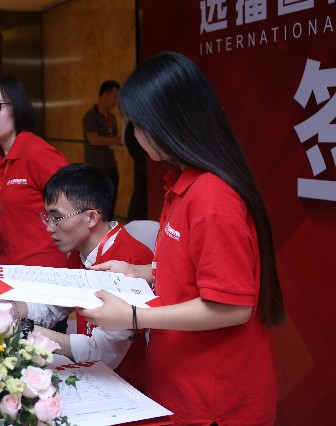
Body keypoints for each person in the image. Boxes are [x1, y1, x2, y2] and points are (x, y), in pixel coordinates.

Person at [78, 52, 286, 424]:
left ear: (166, 122)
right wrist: (140, 271)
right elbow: (191, 269)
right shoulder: (182, 184)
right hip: (181, 385)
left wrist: (133, 316)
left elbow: (232, 307)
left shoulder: (212, 196)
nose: (135, 136)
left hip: (214, 401)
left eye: (137, 125)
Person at [4, 164, 154, 385]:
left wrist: (25, 330)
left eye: (57, 218)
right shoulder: (80, 251)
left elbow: (104, 353)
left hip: (127, 384)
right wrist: (1, 310)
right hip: (95, 373)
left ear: (91, 218)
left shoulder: (129, 262)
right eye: (47, 217)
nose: (49, 228)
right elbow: (54, 306)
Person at [0, 75, 68, 269]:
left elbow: (76, 208)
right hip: (11, 269)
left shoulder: (37, 152)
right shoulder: (0, 160)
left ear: (16, 107)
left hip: (44, 269)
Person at [82, 80, 122, 220]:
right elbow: (94, 140)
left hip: (111, 166)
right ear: (105, 94)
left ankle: (109, 232)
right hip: (95, 168)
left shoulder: (112, 117)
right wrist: (118, 140)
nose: (116, 101)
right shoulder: (90, 116)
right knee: (97, 206)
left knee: (111, 204)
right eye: (114, 96)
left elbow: (113, 137)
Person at [123, 121, 148, 221]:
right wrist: (141, 158)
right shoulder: (134, 121)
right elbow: (129, 142)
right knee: (139, 195)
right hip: (141, 165)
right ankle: (132, 222)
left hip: (155, 167)